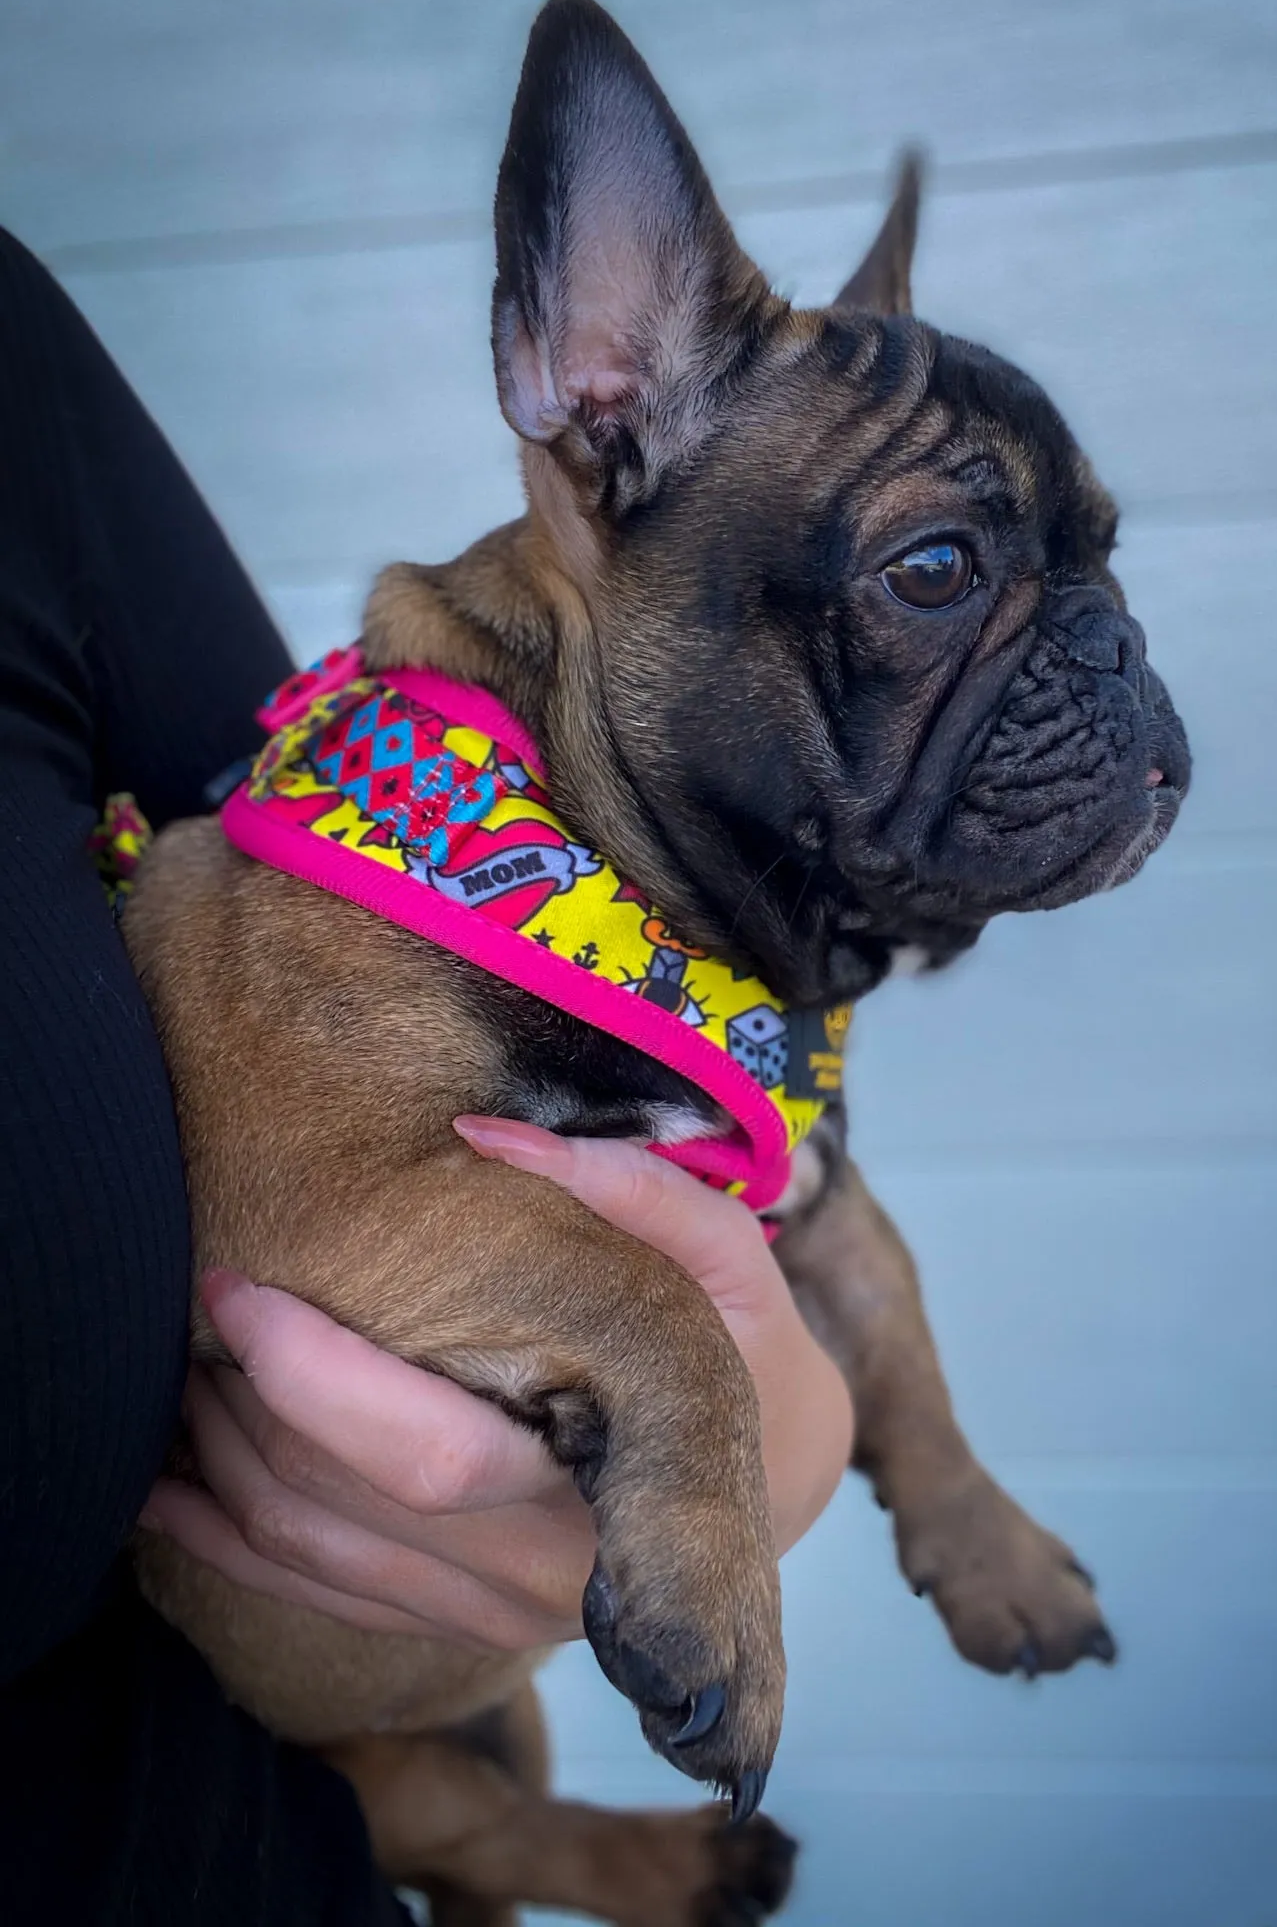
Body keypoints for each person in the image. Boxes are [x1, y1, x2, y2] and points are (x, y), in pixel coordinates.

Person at [0, 228, 853, 1926]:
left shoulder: (19, 400)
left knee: (490, 1747)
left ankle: (520, 1849)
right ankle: (539, 1857)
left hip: (265, 1819)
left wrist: (791, 1433)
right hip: (202, 1781)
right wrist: (681, 1385)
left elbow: (381, 840)